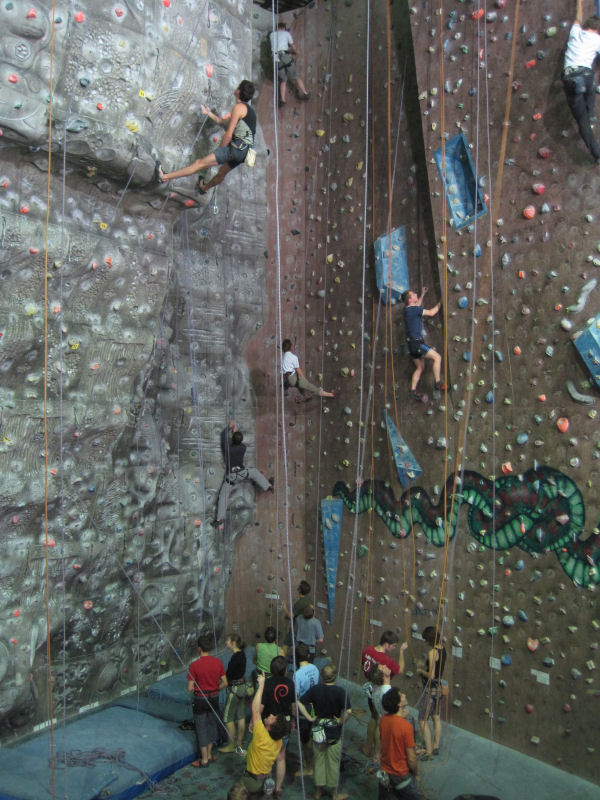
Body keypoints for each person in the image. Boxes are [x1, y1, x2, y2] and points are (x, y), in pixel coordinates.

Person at [159, 80, 256, 194]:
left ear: (238, 91)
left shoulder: (238, 108)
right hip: (244, 153)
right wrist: (208, 113)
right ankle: (203, 188)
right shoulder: (251, 112)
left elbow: (228, 134)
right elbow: (224, 123)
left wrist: (220, 151)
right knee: (221, 174)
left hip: (235, 149)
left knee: (198, 164)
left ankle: (164, 176)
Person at [261, 655, 311, 797]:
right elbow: (294, 707)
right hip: (284, 724)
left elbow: (261, 706)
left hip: (269, 724)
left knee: (267, 756)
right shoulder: (290, 684)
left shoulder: (267, 684)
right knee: (280, 756)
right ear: (285, 670)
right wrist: (293, 722)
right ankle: (278, 788)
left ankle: (268, 785)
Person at [301, 663, 352, 800]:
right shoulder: (341, 691)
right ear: (334, 676)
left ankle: (318, 792)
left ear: (322, 677)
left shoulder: (316, 689)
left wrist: (309, 717)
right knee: (333, 763)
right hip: (334, 733)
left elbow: (300, 701)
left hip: (318, 732)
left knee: (319, 761)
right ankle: (334, 794)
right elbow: (348, 711)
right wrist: (341, 721)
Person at [214, 420, 272, 526]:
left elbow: (223, 435)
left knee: (223, 496)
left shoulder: (227, 449)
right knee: (254, 472)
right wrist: (235, 430)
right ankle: (268, 486)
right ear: (241, 441)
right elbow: (237, 441)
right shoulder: (243, 448)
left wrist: (229, 427)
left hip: (231, 477)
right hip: (242, 473)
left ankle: (219, 519)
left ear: (232, 439)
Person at [562, 1, 600, 164]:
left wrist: (579, 2)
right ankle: (591, 113)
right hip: (586, 74)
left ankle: (597, 154)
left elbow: (578, 17)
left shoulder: (575, 31)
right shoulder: (597, 40)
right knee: (590, 88)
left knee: (581, 122)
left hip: (571, 78)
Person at [361, 631, 408, 759]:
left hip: (371, 687)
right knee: (380, 721)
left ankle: (367, 746)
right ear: (386, 644)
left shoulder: (367, 650)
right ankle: (376, 753)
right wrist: (402, 652)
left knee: (373, 716)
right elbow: (400, 670)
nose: (394, 648)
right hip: (380, 690)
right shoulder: (385, 660)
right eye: (393, 646)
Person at [243, 673, 290, 796]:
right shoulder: (278, 741)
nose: (270, 715)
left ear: (269, 728)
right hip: (265, 780)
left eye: (272, 718)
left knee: (237, 793)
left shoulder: (261, 735)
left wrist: (262, 685)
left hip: (252, 781)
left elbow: (255, 709)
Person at [187, 634, 227, 767]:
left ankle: (204, 759)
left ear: (199, 648)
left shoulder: (194, 665)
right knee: (211, 725)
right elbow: (225, 683)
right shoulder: (217, 662)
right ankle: (209, 754)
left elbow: (190, 688)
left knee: (201, 727)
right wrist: (215, 689)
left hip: (200, 699)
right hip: (214, 697)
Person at [378, 688, 425, 800]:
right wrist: (417, 774)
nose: (404, 694)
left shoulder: (383, 720)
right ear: (399, 704)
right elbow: (412, 759)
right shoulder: (405, 727)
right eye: (401, 695)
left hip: (385, 772)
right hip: (400, 775)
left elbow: (391, 742)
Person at [401, 288, 447, 400]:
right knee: (437, 357)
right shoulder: (414, 310)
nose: (415, 294)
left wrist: (422, 295)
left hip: (410, 345)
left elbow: (417, 306)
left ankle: (413, 390)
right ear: (411, 300)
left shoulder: (407, 310)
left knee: (420, 367)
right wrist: (442, 302)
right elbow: (431, 313)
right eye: (413, 294)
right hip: (417, 344)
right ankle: (437, 383)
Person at [416, 626, 447, 759]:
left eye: (426, 640)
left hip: (430, 689)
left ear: (429, 639)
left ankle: (428, 752)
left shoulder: (432, 652)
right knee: (436, 717)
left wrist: (421, 670)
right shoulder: (443, 649)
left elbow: (431, 675)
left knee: (422, 720)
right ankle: (435, 746)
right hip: (439, 688)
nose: (425, 642)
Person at [293, 643, 320, 776]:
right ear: (308, 655)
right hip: (315, 704)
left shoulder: (297, 675)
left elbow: (296, 697)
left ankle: (309, 767)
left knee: (305, 739)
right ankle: (310, 762)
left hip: (304, 707)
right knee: (311, 734)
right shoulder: (315, 668)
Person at [220, 633, 249, 755]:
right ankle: (239, 742)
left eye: (227, 640)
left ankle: (231, 745)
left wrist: (218, 687)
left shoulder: (235, 658)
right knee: (241, 715)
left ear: (233, 643)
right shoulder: (242, 654)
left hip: (235, 688)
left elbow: (228, 676)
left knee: (228, 717)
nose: (226, 643)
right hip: (242, 687)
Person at [270, 21, 310, 106]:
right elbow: (293, 46)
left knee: (283, 80)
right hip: (285, 57)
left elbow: (277, 46)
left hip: (276, 59)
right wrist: (296, 52)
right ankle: (305, 93)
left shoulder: (272, 35)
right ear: (283, 28)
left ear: (277, 28)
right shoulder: (286, 33)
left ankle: (282, 100)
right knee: (296, 76)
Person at [281, 579, 312, 653]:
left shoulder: (299, 603)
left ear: (299, 590)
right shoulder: (308, 600)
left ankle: (281, 660)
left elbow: (290, 616)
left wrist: (284, 608)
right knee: (299, 646)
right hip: (305, 628)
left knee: (285, 645)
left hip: (296, 629)